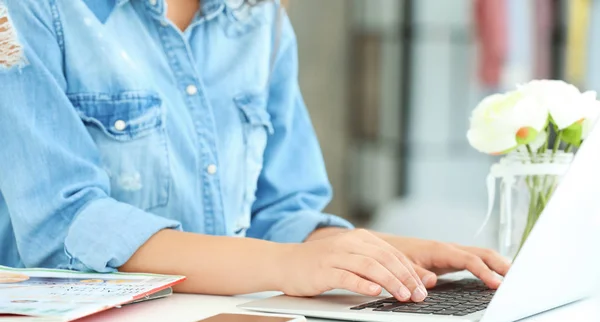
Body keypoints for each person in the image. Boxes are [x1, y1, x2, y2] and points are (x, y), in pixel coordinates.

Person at [0, 0, 509, 303]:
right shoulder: (26, 12)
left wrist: (374, 256)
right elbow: (64, 227)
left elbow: (279, 210)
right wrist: (286, 264)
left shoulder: (259, 17)